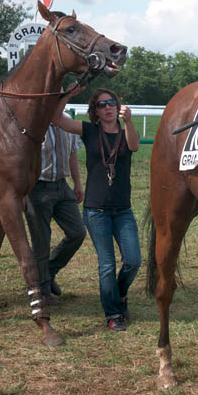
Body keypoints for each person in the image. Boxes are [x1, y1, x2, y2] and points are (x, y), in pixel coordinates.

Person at [53, 89, 141, 332]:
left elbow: (134, 147)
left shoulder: (126, 132)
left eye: (112, 103)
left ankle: (119, 294)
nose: (108, 107)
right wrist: (69, 94)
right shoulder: (89, 131)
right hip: (96, 210)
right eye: (102, 105)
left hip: (123, 209)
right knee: (107, 265)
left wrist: (129, 121)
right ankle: (113, 314)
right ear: (96, 111)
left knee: (133, 260)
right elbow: (56, 119)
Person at [23, 123, 86, 307]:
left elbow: (72, 153)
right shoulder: (35, 124)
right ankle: (42, 291)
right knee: (41, 241)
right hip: (38, 188)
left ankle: (48, 272)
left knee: (77, 233)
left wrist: (77, 183)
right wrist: (22, 191)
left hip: (62, 185)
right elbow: (23, 160)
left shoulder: (66, 123)